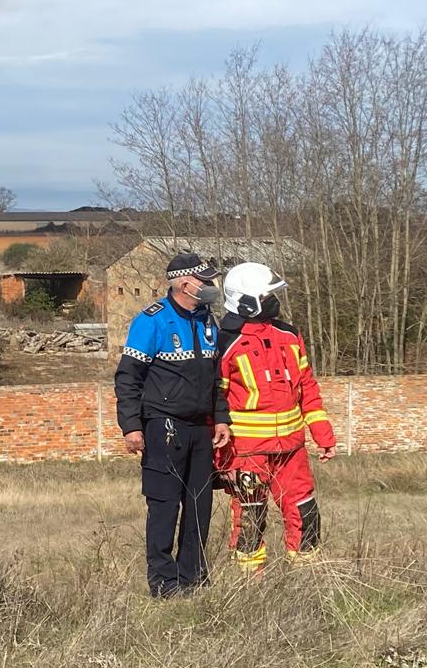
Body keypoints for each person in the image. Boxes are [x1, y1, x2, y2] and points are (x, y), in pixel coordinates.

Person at [113, 251, 231, 597]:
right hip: (163, 426)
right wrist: (131, 426)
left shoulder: (209, 320)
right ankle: (164, 583)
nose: (211, 287)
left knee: (200, 504)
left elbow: (216, 378)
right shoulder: (152, 320)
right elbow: (128, 377)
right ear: (184, 283)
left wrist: (221, 419)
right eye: (205, 281)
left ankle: (193, 576)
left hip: (200, 428)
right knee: (165, 504)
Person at [213, 262, 338, 570]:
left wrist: (324, 435)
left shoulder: (290, 335)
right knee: (250, 514)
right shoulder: (225, 343)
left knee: (304, 509)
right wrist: (220, 461)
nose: (274, 300)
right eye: (267, 295)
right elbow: (213, 402)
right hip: (246, 451)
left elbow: (307, 386)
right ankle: (250, 581)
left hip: (292, 448)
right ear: (245, 300)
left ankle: (306, 573)